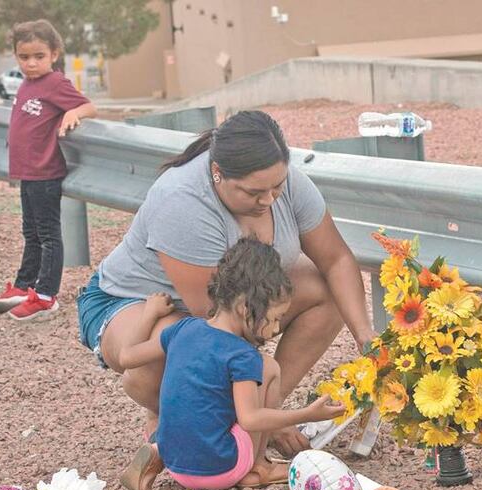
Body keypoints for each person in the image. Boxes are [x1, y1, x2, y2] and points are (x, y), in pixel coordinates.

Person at [75, 110, 374, 457]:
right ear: (217, 174)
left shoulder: (284, 183)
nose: (268, 200)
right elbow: (216, 324)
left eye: (277, 187)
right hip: (137, 302)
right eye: (254, 192)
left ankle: (258, 413)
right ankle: (176, 413)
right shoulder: (183, 201)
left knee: (328, 292)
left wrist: (366, 339)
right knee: (164, 361)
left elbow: (335, 259)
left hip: (231, 303)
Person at [118, 238, 346, 490]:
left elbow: (126, 356)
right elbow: (250, 419)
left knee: (203, 403)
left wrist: (150, 314)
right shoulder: (242, 355)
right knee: (268, 367)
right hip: (221, 469)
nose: (275, 329)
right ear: (243, 307)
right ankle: (259, 467)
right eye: (273, 319)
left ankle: (159, 450)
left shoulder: (183, 329)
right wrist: (307, 414)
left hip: (175, 464)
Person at [0, 20, 97, 320]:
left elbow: (89, 107)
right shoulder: (26, 84)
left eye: (39, 56)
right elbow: (24, 111)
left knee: (47, 235)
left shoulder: (56, 83)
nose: (31, 63)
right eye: (24, 57)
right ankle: (24, 287)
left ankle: (46, 295)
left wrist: (73, 111)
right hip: (28, 172)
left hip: (46, 172)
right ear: (16, 56)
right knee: (30, 233)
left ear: (54, 54)